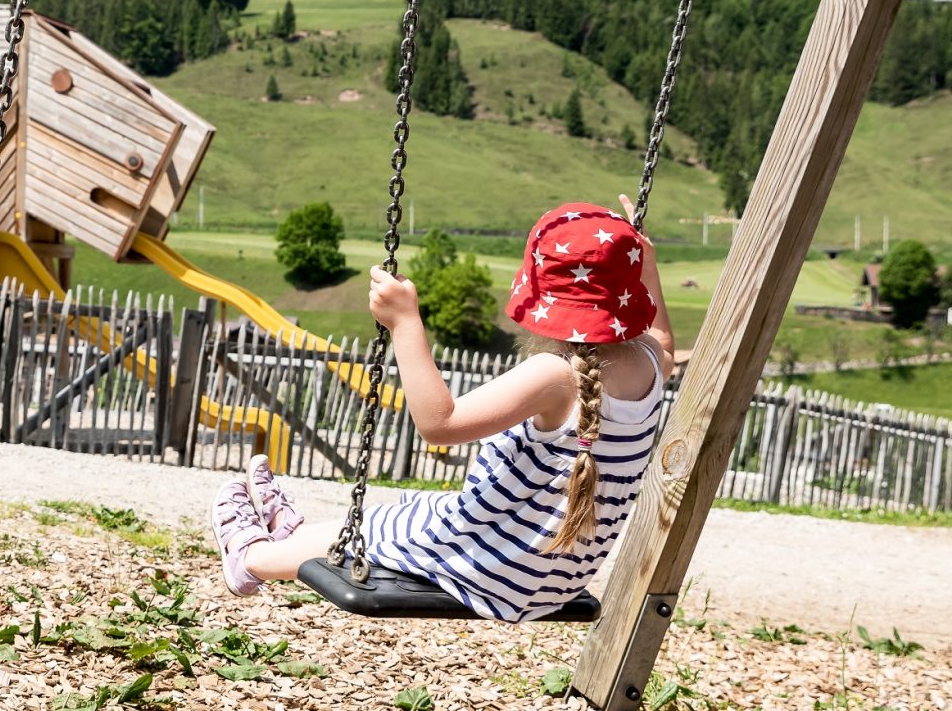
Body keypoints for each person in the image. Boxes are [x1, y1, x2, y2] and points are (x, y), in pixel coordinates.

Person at [211, 200, 673, 621]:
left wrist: (405, 323)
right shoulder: (652, 361)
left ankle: (251, 558)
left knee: (379, 525)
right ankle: (293, 537)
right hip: (557, 578)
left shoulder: (555, 376)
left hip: (498, 569)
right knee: (420, 510)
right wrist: (646, 266)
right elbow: (664, 338)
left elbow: (439, 424)